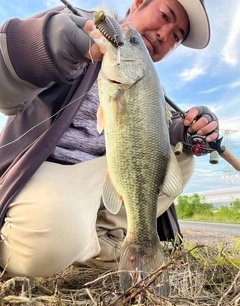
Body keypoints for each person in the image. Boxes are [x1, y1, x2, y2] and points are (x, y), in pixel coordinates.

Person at [0, 0, 219, 278]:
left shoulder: (150, 80)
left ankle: (109, 233)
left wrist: (191, 130)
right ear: (138, 3)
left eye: (176, 37)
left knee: (183, 156)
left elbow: (154, 130)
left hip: (105, 178)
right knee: (42, 248)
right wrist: (47, 45)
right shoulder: (77, 21)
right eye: (165, 15)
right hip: (47, 171)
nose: (164, 35)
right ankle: (89, 241)